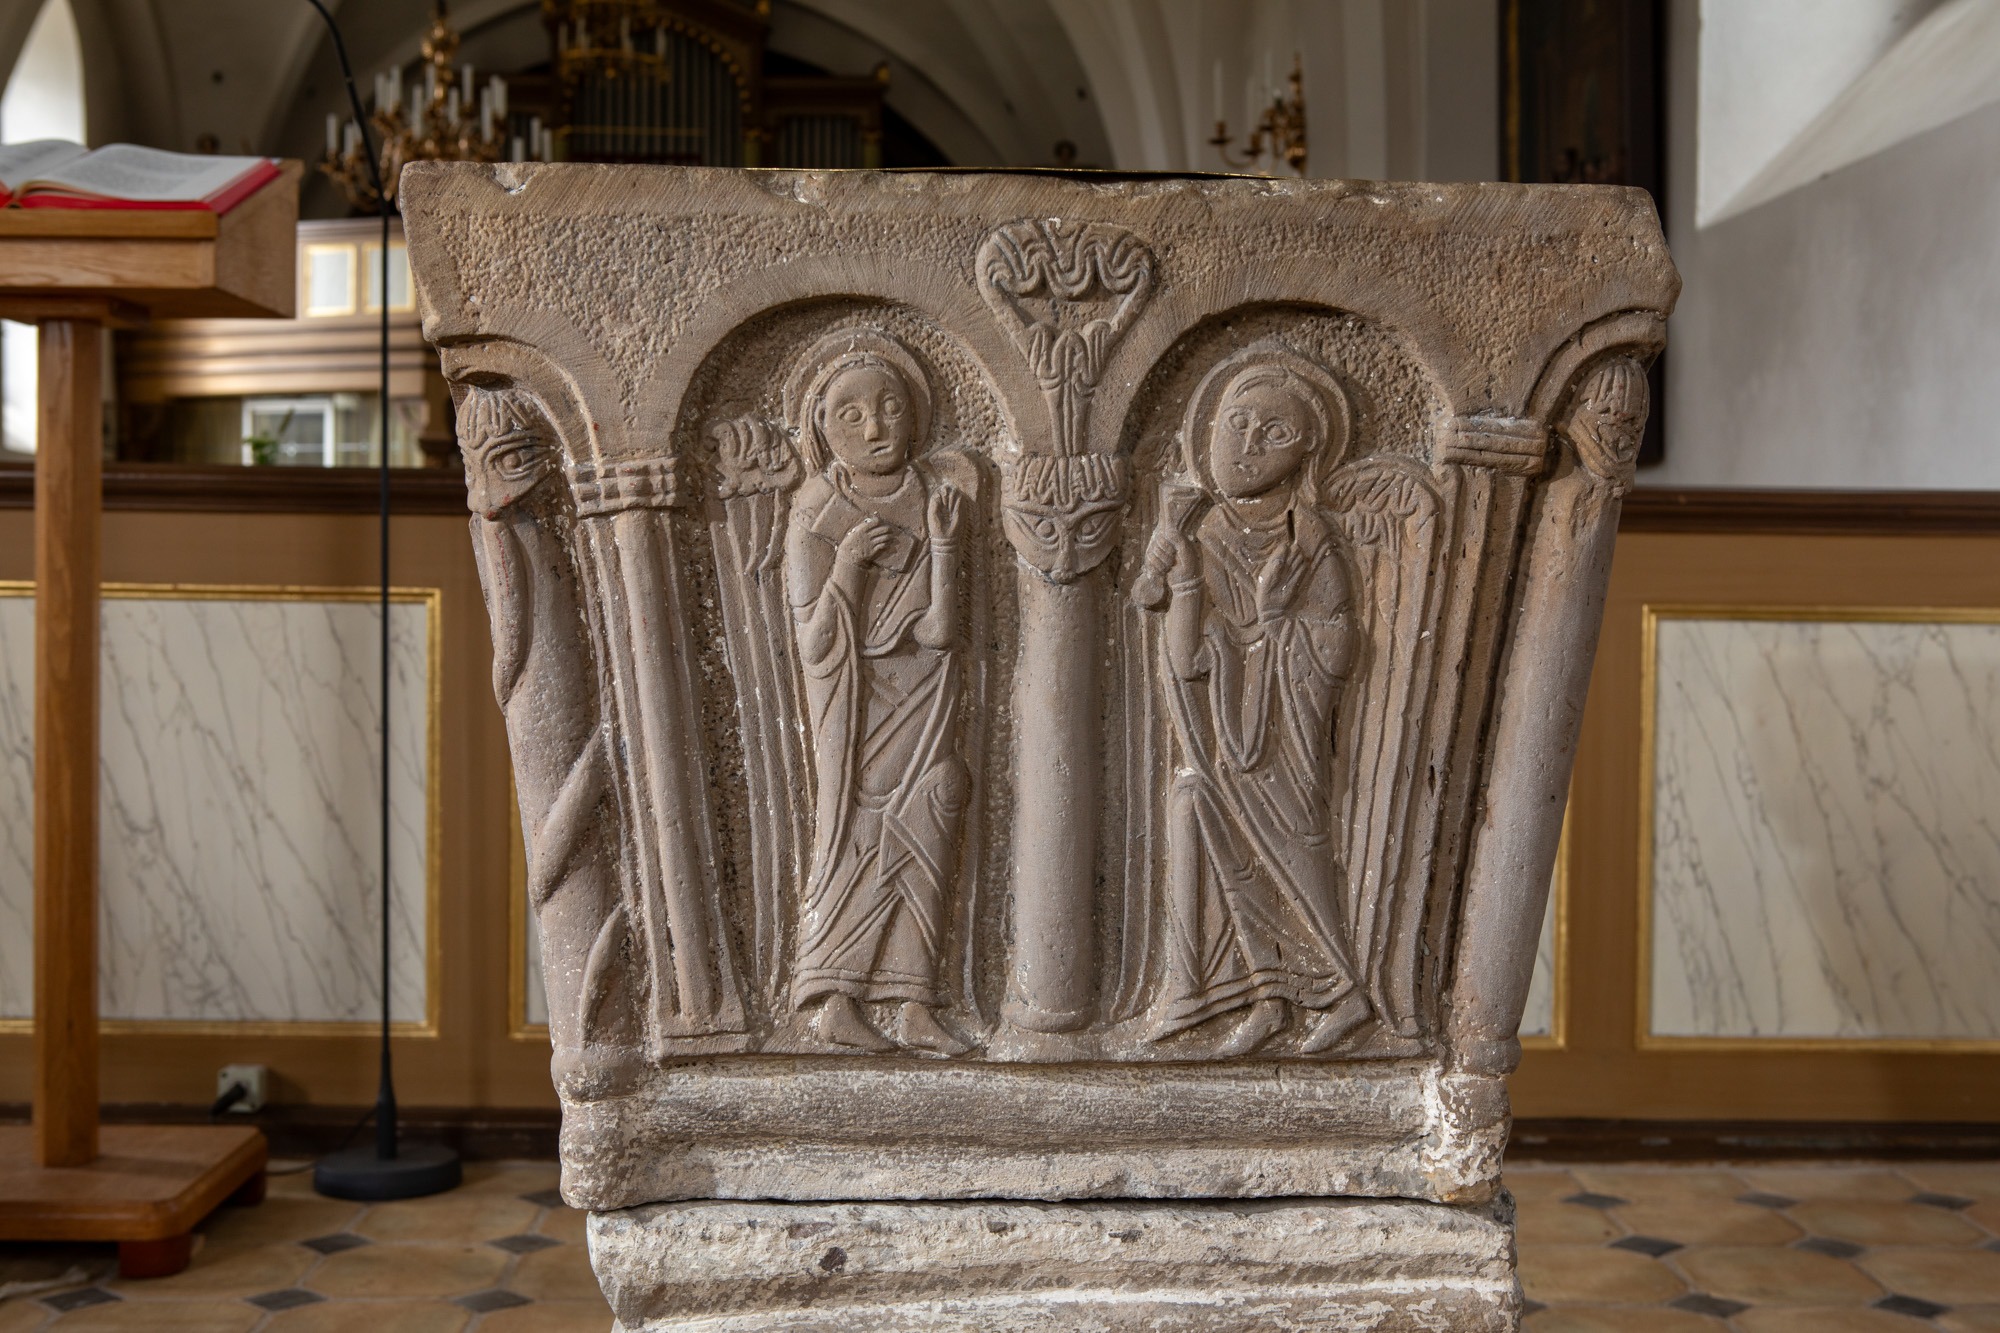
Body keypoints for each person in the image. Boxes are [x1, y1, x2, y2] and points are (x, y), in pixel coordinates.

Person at [1142, 348, 1372, 1056]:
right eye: (1236, 424)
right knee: (1192, 803)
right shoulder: (1205, 533)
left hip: (1285, 738)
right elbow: (1186, 658)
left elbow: (1337, 645)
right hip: (1223, 732)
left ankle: (1344, 989)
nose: (1247, 445)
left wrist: (1276, 625)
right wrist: (1183, 577)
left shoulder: (1312, 541)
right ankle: (1266, 996)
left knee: (1295, 846)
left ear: (1305, 455)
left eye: (1274, 433)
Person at [783, 329, 973, 1055]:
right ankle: (834, 996)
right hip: (857, 705)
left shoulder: (934, 498)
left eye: (890, 408)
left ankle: (914, 1000)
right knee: (860, 832)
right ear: (822, 428)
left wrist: (946, 547)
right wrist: (850, 564)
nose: (875, 427)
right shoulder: (816, 508)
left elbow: (941, 630)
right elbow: (814, 641)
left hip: (924, 694)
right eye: (851, 414)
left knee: (939, 801)